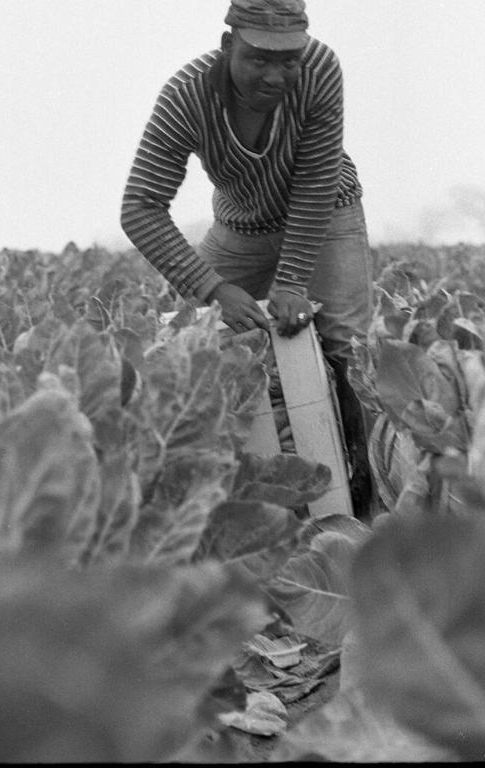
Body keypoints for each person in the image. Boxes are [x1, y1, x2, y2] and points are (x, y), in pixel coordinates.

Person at [121, 0, 374, 516]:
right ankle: (214, 499)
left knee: (350, 346)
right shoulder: (186, 97)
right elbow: (141, 207)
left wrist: (292, 282)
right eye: (259, 58)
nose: (276, 74)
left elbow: (315, 179)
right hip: (241, 225)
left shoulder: (321, 69)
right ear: (227, 46)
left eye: (288, 60)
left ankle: (368, 497)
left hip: (327, 211)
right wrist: (213, 288)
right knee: (192, 338)